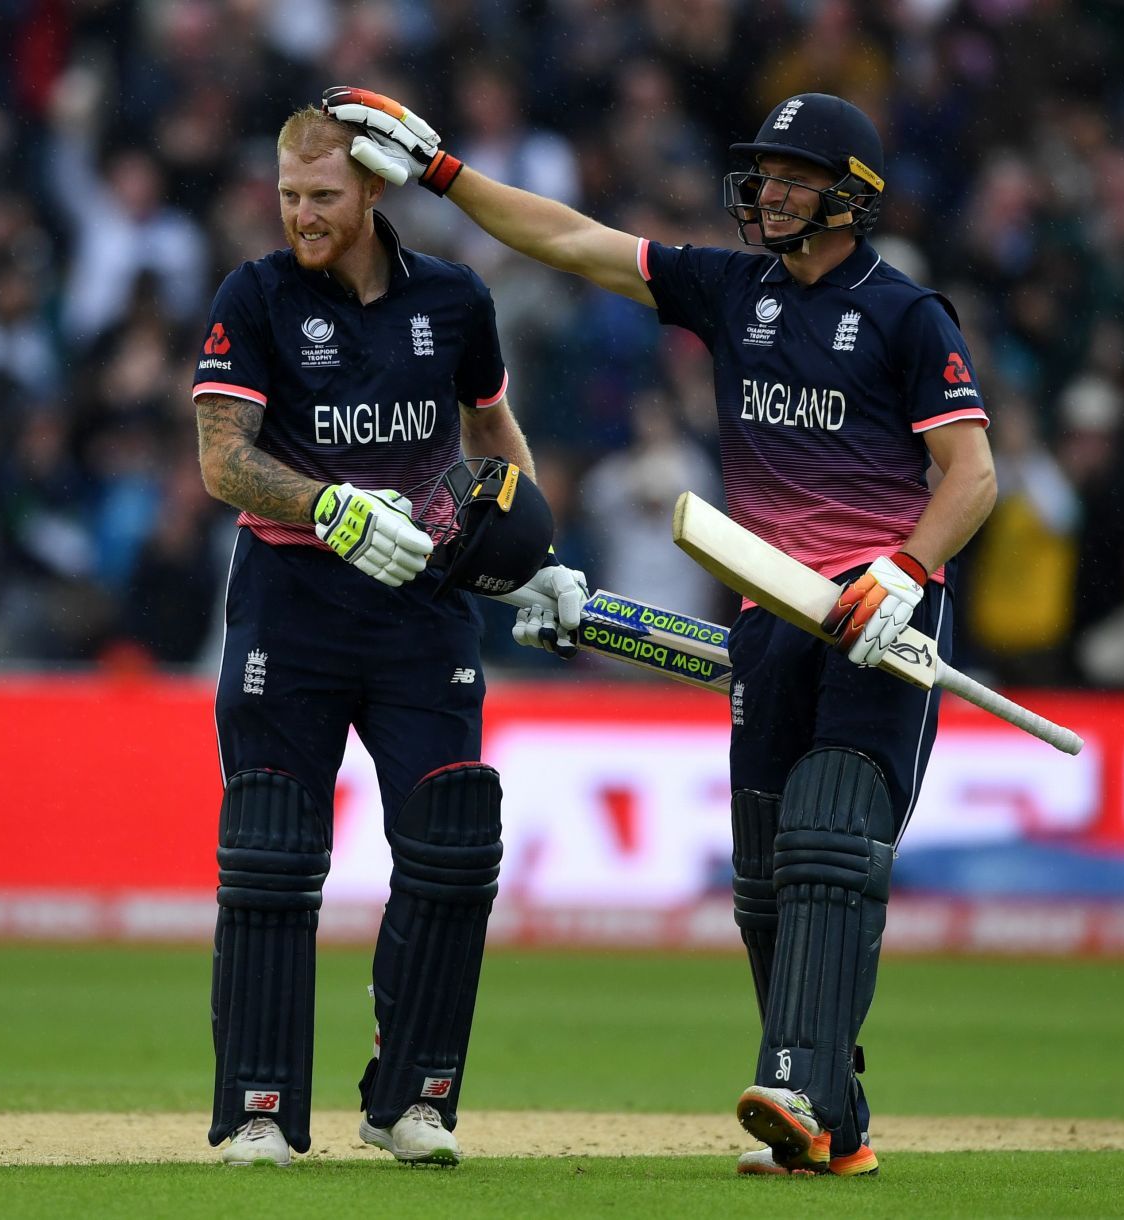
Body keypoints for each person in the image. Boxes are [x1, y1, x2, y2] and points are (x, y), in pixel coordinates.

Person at [325, 87, 998, 1177]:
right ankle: (834, 1117)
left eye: (791, 178)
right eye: (763, 174)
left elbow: (973, 474)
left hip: (876, 618)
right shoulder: (734, 290)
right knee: (767, 878)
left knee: (831, 838)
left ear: (851, 198)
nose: (767, 192)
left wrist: (908, 568)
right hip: (769, 614)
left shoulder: (910, 316)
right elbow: (573, 239)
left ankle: (799, 1085)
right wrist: (445, 174)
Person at [191, 105, 587, 1169]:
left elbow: (491, 427)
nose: (302, 216)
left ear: (373, 191)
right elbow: (222, 458)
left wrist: (533, 547)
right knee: (273, 851)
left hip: (422, 599)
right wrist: (330, 507)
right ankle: (260, 1109)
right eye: (288, 196)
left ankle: (410, 1097)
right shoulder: (256, 295)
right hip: (294, 595)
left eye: (322, 197)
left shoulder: (455, 299)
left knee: (455, 842)